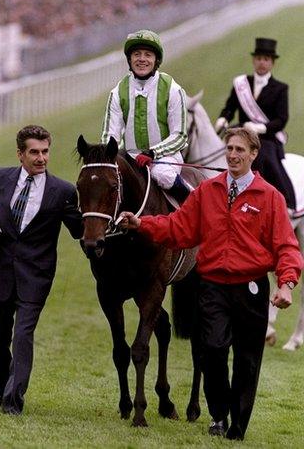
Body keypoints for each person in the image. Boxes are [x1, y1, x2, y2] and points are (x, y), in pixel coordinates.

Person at [120, 127, 303, 440]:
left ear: (254, 155)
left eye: (240, 150)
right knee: (213, 351)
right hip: (213, 287)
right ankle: (218, 414)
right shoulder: (207, 191)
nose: (232, 155)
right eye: (229, 148)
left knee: (247, 361)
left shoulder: (270, 197)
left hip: (251, 289)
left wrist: (286, 283)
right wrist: (142, 223)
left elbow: (286, 246)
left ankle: (238, 426)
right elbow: (178, 228)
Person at [0, 125, 83, 415]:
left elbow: (80, 230)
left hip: (36, 277)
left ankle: (14, 401)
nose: (41, 158)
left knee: (23, 335)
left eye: (45, 151)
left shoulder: (64, 191)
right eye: (34, 152)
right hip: (0, 272)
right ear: (20, 154)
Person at [101, 29, 189, 202]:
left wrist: (153, 153)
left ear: (156, 60)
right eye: (136, 54)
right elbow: (109, 135)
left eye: (148, 54)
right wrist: (109, 157)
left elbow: (180, 136)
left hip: (165, 158)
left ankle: (193, 204)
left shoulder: (173, 89)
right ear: (130, 59)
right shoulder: (117, 92)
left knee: (162, 175)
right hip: (130, 159)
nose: (142, 59)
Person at [215, 37, 296, 210]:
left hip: (267, 138)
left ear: (272, 63)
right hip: (241, 135)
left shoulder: (281, 88)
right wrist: (223, 119)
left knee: (266, 157)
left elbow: (281, 120)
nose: (262, 63)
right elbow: (230, 107)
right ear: (254, 60)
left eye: (266, 59)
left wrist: (259, 128)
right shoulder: (241, 84)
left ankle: (287, 202)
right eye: (259, 58)